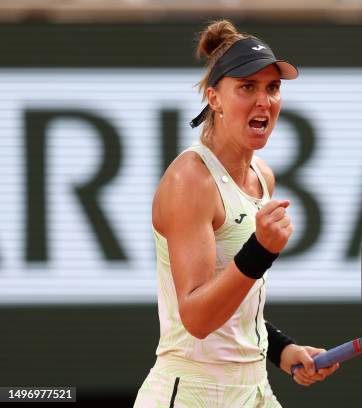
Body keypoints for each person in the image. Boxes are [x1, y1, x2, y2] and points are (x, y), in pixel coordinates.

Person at [133, 20, 339, 408]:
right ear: (214, 98)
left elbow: (237, 300)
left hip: (253, 388)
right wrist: (260, 250)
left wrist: (279, 349)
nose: (264, 101)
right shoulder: (190, 180)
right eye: (247, 87)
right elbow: (196, 319)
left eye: (272, 88)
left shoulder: (263, 176)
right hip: (192, 392)